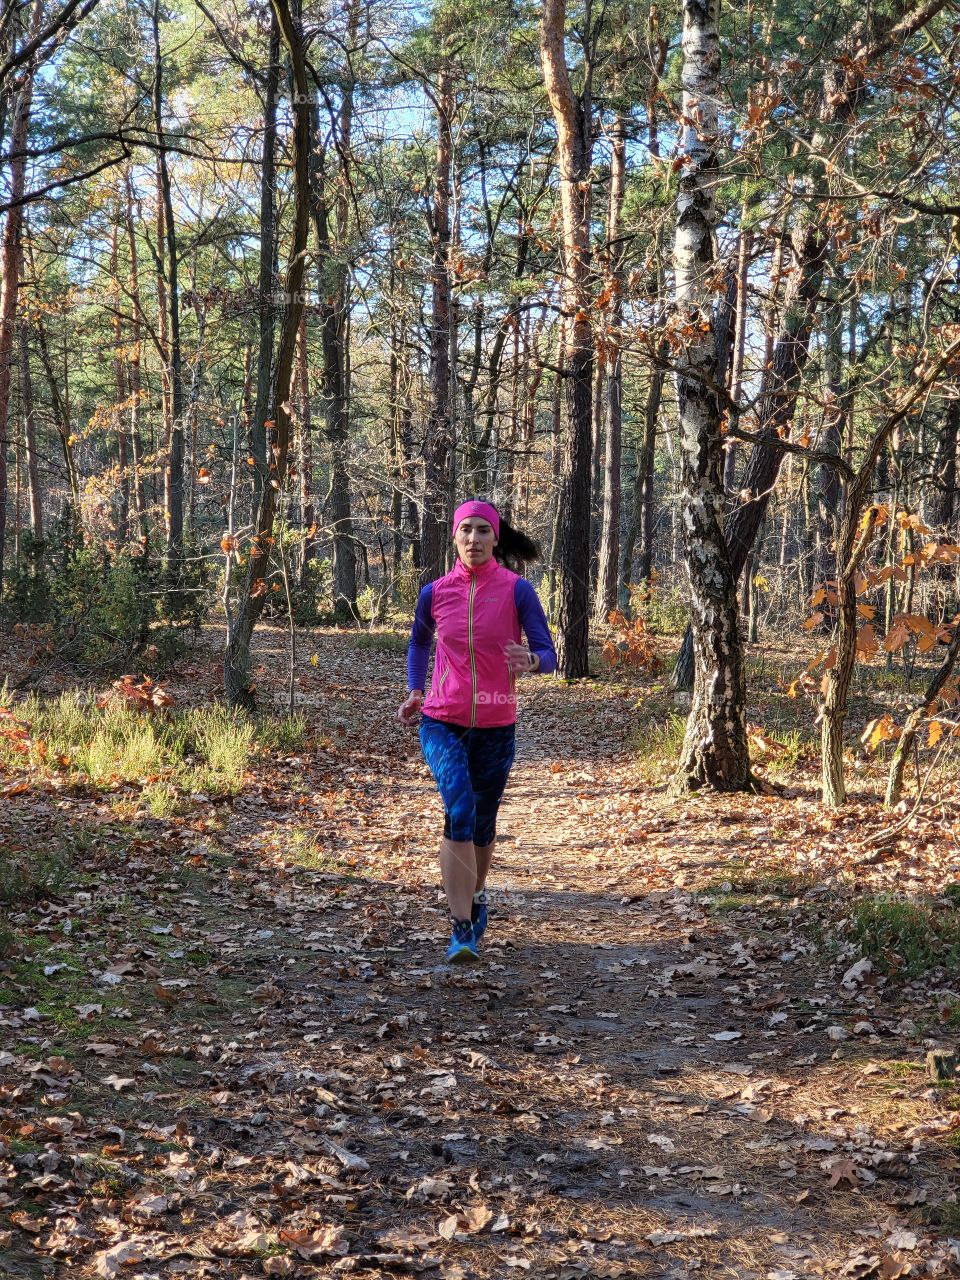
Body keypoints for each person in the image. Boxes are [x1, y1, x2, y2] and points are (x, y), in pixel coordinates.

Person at [397, 499, 557, 963]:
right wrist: (415, 690)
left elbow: (549, 654)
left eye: (483, 530)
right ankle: (461, 926)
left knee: (483, 824)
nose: (474, 538)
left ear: (495, 537)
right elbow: (419, 643)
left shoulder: (517, 590)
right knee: (460, 810)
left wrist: (531, 660)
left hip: (495, 724)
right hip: (441, 720)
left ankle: (476, 894)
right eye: (465, 529)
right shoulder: (434, 592)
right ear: (454, 537)